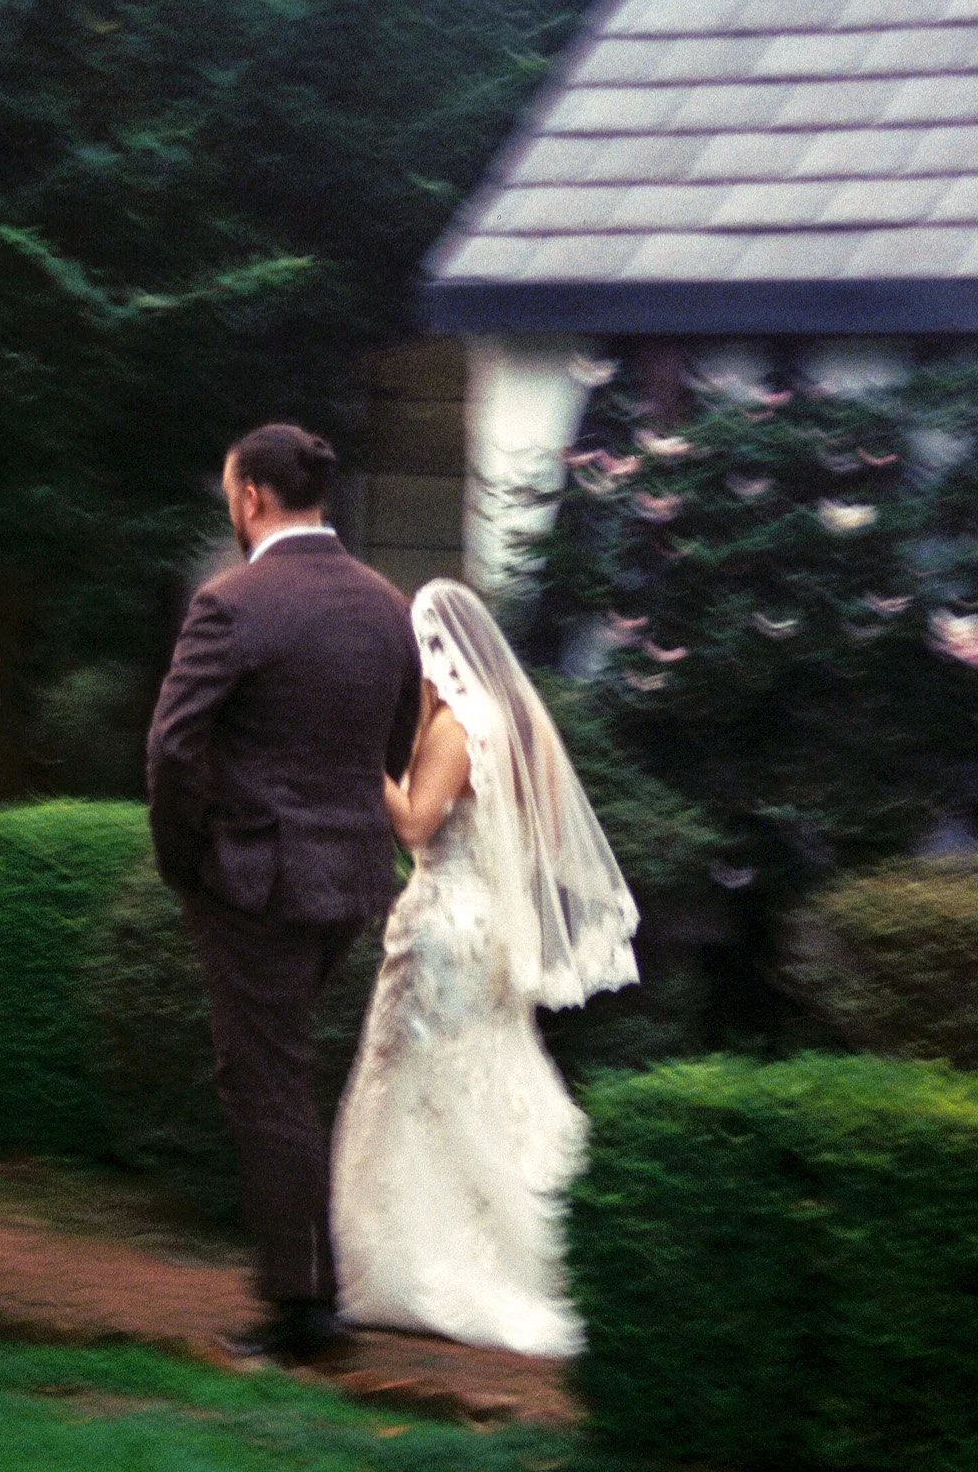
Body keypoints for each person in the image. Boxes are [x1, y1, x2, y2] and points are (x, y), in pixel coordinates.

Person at [147, 422, 422, 1362]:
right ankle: (310, 1293)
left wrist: (186, 860)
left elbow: (172, 747)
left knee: (265, 1082)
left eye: (230, 493)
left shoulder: (232, 602)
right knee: (282, 1074)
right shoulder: (387, 604)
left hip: (254, 880)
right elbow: (394, 742)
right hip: (348, 879)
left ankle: (304, 1312)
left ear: (251, 497)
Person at [331, 578, 639, 1357]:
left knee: (421, 1088)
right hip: (487, 926)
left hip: (446, 926)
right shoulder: (509, 725)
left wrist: (362, 754)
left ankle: (431, 1268)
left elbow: (412, 825)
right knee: (489, 1078)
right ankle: (557, 1241)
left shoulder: (457, 728)